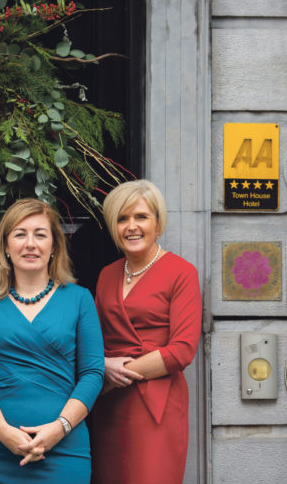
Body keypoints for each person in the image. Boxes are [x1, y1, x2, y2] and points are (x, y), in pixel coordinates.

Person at [0, 198, 104, 483]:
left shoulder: (80, 299)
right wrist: (3, 431)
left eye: (40, 234)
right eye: (19, 234)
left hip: (64, 451)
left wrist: (59, 429)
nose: (30, 244)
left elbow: (92, 373)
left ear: (54, 246)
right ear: (5, 246)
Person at [90, 179, 202, 484]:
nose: (131, 226)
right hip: (109, 407)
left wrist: (117, 377)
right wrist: (101, 369)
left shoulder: (181, 272)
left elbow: (182, 351)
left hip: (157, 405)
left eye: (141, 217)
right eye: (122, 218)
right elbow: (93, 341)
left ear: (158, 223)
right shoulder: (106, 274)